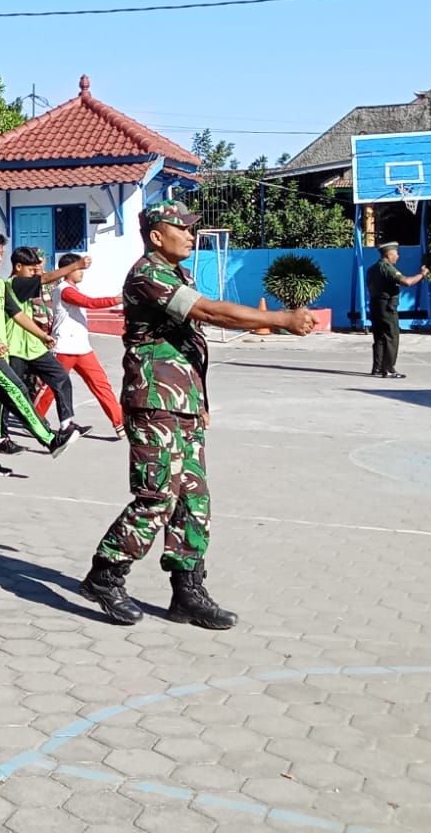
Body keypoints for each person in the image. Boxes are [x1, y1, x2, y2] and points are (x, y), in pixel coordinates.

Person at [79, 202, 315, 630]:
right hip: (154, 402)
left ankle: (187, 590)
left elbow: (191, 346)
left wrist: (200, 402)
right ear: (156, 235)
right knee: (156, 496)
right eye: (182, 228)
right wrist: (278, 318)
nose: (190, 235)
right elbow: (209, 313)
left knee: (193, 499)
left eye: (192, 229)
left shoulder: (177, 274)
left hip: (182, 403)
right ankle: (105, 574)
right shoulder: (148, 275)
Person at [0, 232, 77, 477]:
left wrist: (42, 335)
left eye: (1, 253)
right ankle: (50, 438)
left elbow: (17, 314)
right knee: (17, 389)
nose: (0, 258)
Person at [33, 253, 125, 434]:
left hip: (82, 348)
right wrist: (119, 299)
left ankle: (119, 422)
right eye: (78, 269)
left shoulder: (72, 288)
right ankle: (34, 419)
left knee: (101, 384)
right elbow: (90, 303)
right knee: (51, 387)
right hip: (64, 348)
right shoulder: (63, 289)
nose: (82, 272)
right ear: (69, 270)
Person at [4, 247, 91, 440]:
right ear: (18, 267)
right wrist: (75, 265)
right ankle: (2, 435)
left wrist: (44, 337)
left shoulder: (25, 283)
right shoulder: (15, 283)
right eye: (31, 269)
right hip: (15, 348)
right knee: (12, 393)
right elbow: (44, 279)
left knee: (60, 376)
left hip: (34, 346)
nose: (35, 273)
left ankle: (66, 424)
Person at [366, 242, 423, 379]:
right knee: (391, 337)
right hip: (387, 307)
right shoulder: (387, 268)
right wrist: (422, 274)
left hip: (375, 305)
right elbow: (407, 282)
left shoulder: (372, 269)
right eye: (396, 253)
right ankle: (389, 369)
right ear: (388, 254)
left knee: (379, 337)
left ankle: (378, 367)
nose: (397, 256)